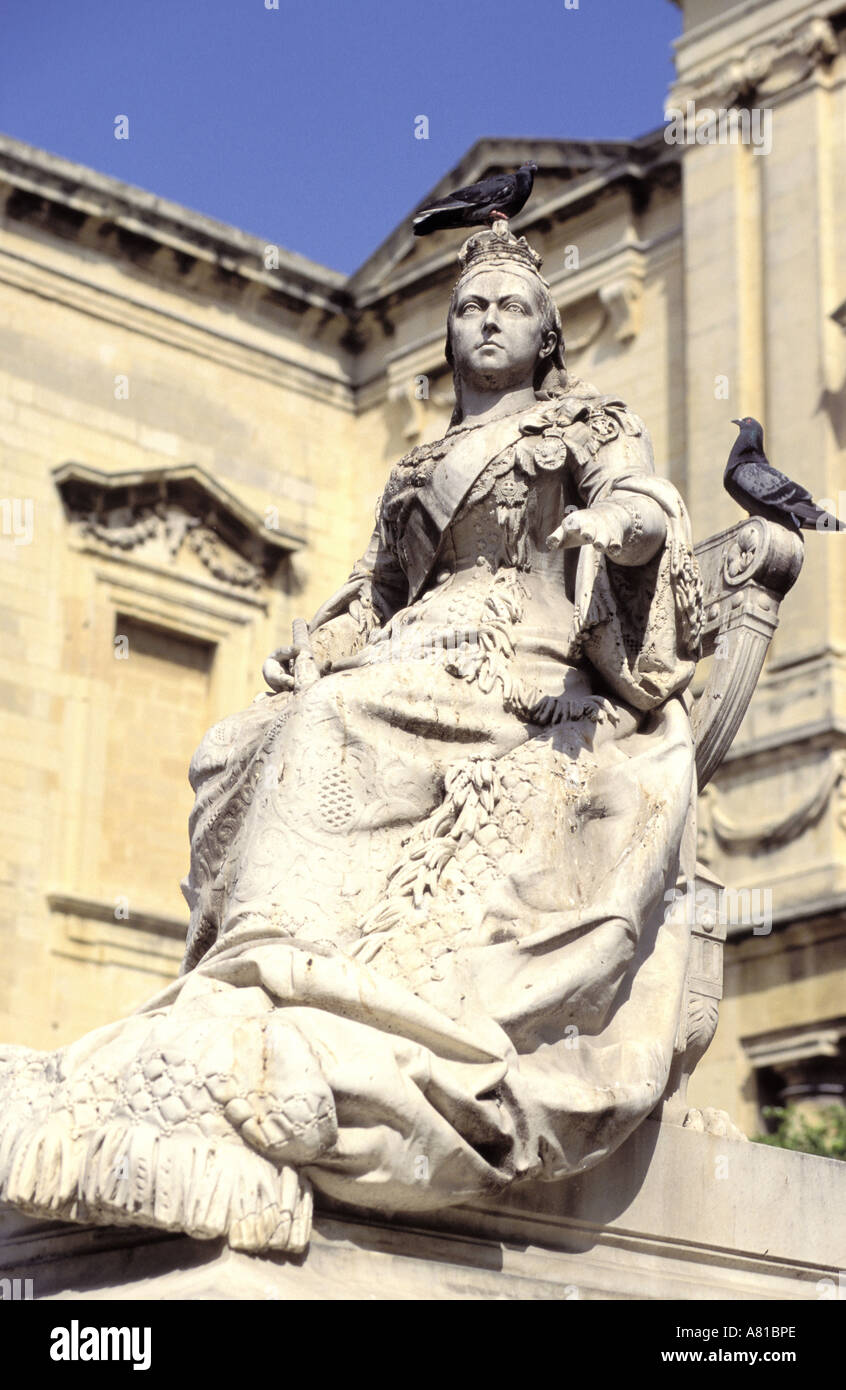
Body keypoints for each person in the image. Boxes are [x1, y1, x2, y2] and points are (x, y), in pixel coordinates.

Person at [0, 226, 703, 1254]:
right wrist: (319, 642)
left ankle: (292, 983)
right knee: (240, 743)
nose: (490, 318)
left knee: (339, 719)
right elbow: (376, 594)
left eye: (512, 306)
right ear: (450, 334)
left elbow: (644, 500)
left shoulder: (585, 424)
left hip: (523, 660)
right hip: (408, 649)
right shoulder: (416, 463)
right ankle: (256, 966)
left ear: (548, 338)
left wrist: (612, 532)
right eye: (472, 307)